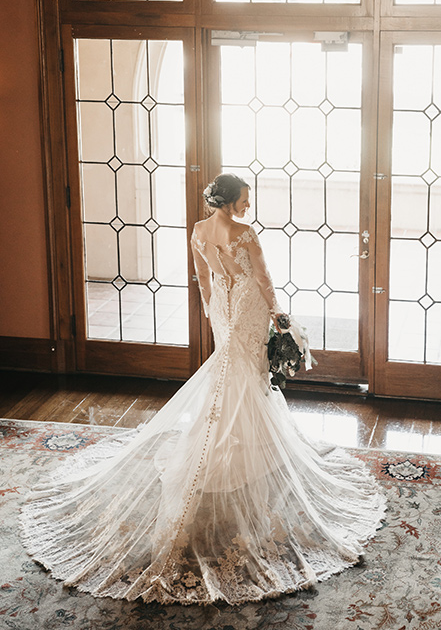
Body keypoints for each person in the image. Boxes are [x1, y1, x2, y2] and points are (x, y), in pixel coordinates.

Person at [20, 173, 386, 606]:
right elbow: (264, 279)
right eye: (245, 200)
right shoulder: (244, 233)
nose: (249, 207)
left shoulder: (198, 231)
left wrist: (217, 314)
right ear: (230, 201)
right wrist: (280, 317)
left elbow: (202, 280)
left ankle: (244, 436)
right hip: (248, 303)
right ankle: (244, 441)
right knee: (248, 374)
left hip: (223, 308)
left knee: (235, 371)